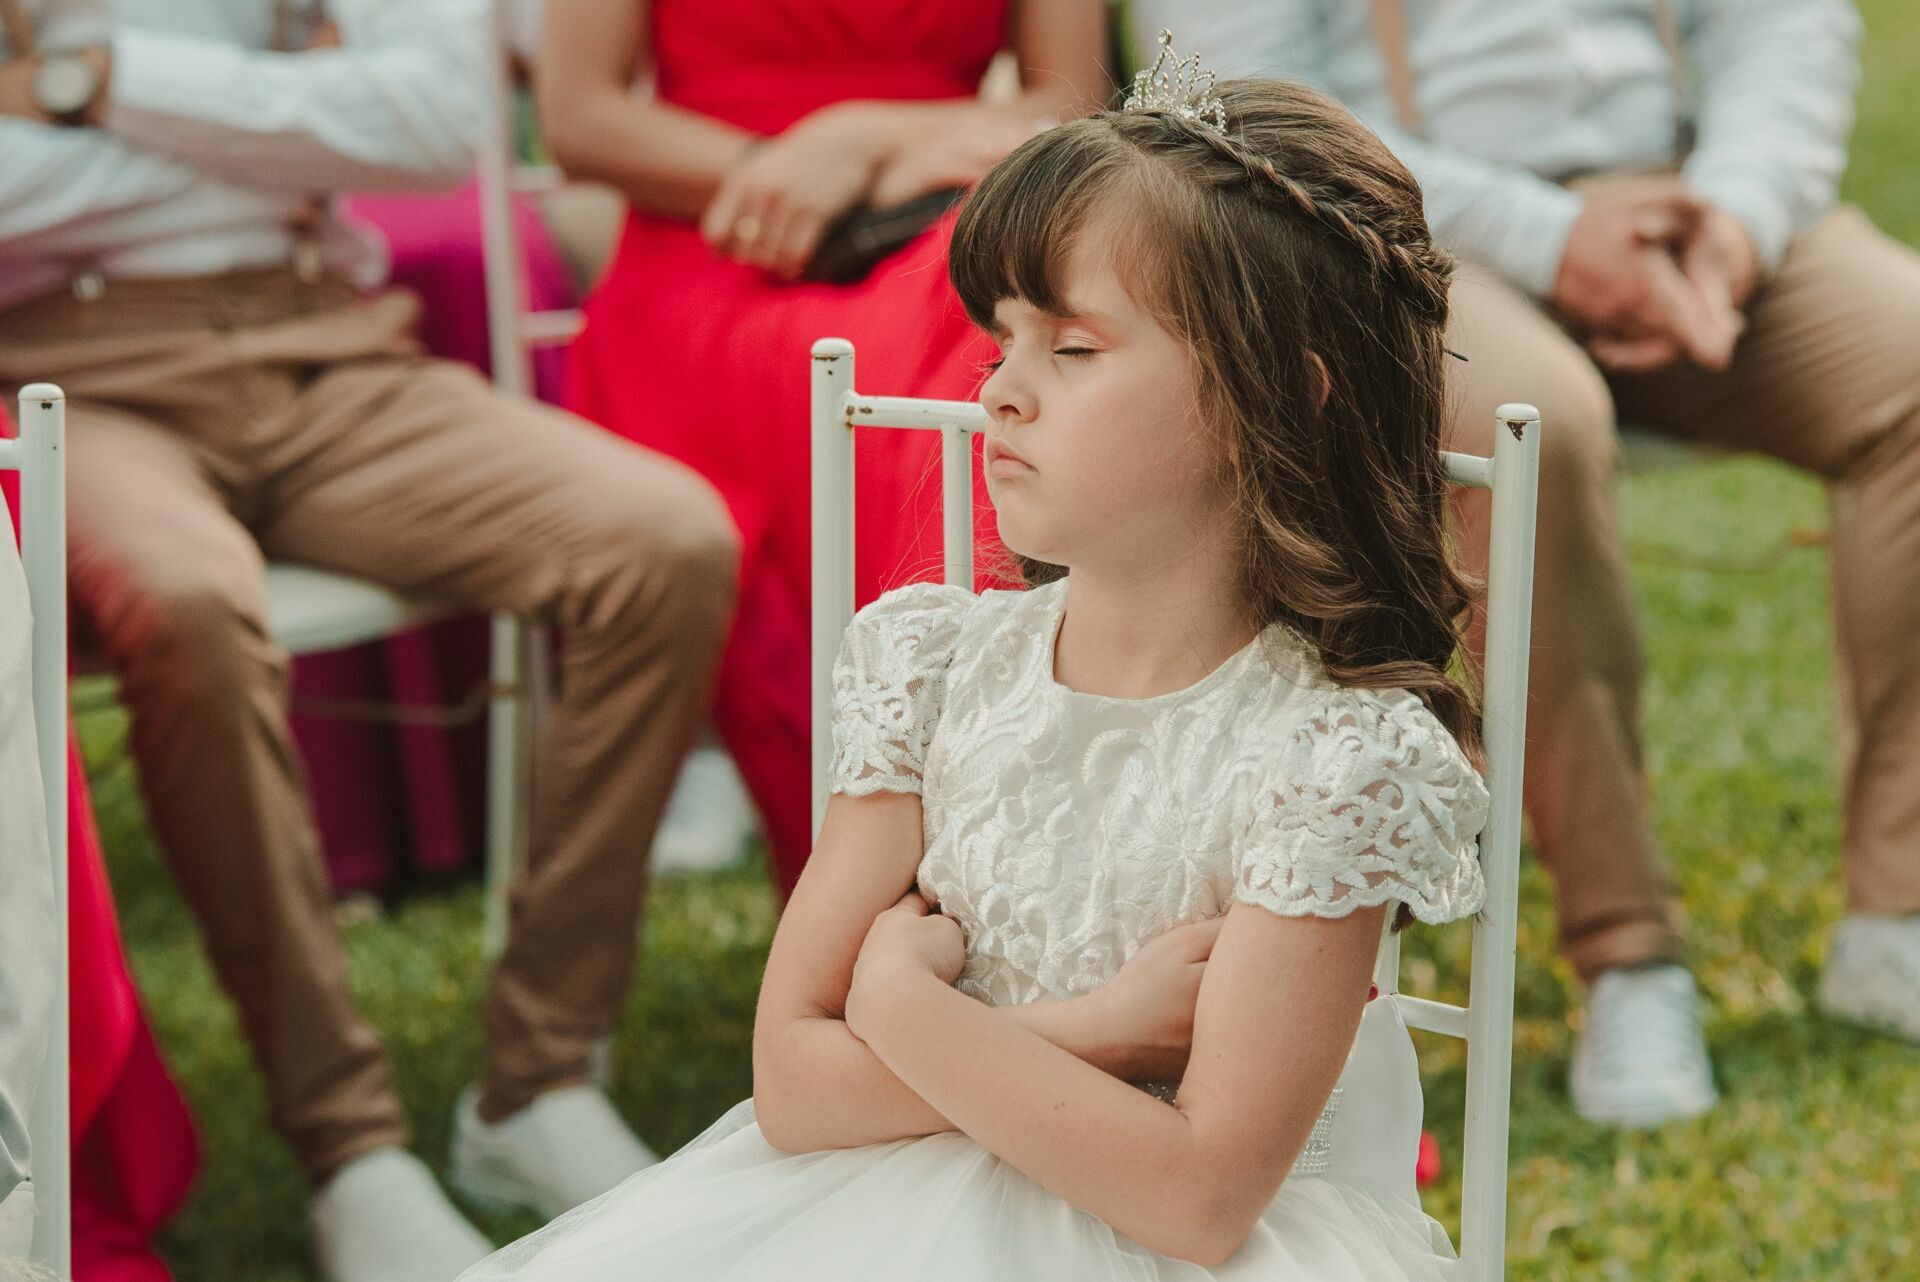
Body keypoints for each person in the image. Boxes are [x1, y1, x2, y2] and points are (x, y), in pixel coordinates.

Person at [459, 67, 1493, 1281]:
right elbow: (792, 1081)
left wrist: (898, 1011)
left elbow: (1202, 1194)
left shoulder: (1334, 756)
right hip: (875, 1217)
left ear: (1275, 398)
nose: (999, 390)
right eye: (1003, 337)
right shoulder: (934, 665)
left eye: (1073, 347)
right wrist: (1092, 1032)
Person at [0, 3, 740, 1279]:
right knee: (188, 608)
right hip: (72, 378)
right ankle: (352, 1152)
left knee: (668, 543)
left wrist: (87, 81)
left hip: (332, 353)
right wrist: (279, 119)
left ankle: (537, 1079)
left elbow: (438, 126)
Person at [1142, 0, 1920, 1127]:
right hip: (1393, 231)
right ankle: (1629, 955)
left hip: (1685, 193)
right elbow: (1237, 102)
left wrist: (1740, 213)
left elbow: (1784, 22)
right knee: (1532, 423)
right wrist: (1552, 237)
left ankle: (1894, 915)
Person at [535, 0, 1112, 899]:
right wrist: (780, 169)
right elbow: (578, 118)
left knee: (991, 366)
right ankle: (896, 875)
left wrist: (868, 138)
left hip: (938, 217)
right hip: (714, 238)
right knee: (907, 409)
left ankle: (1025, 844)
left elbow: (1075, 118)